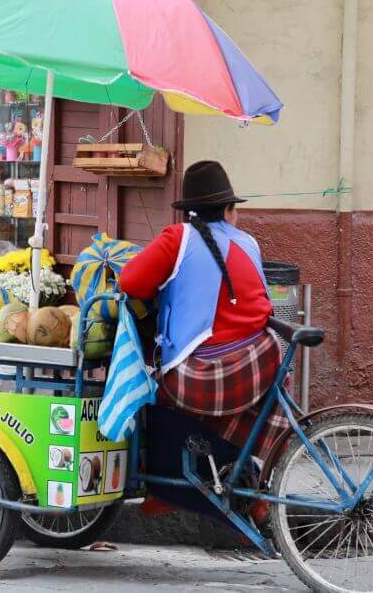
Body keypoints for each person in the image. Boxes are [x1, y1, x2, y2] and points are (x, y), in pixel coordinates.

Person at [119, 160, 287, 465]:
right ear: (227, 210)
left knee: (154, 387)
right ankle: (255, 480)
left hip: (207, 379)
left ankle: (172, 489)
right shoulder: (248, 242)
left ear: (188, 211)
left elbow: (129, 281)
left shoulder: (177, 238)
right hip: (261, 363)